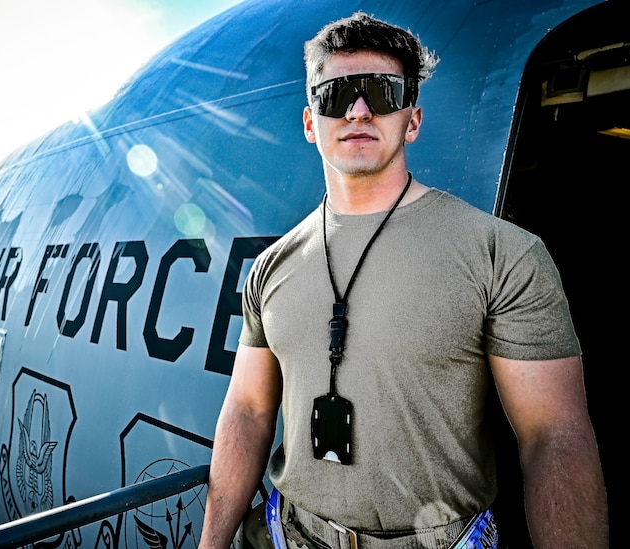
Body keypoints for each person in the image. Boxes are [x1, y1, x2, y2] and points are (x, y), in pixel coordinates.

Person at [199, 11, 608, 549]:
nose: (359, 109)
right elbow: (249, 411)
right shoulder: (273, 265)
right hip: (288, 535)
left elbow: (553, 437)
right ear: (309, 121)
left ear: (411, 120)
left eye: (382, 93)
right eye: (336, 94)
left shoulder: (502, 254)